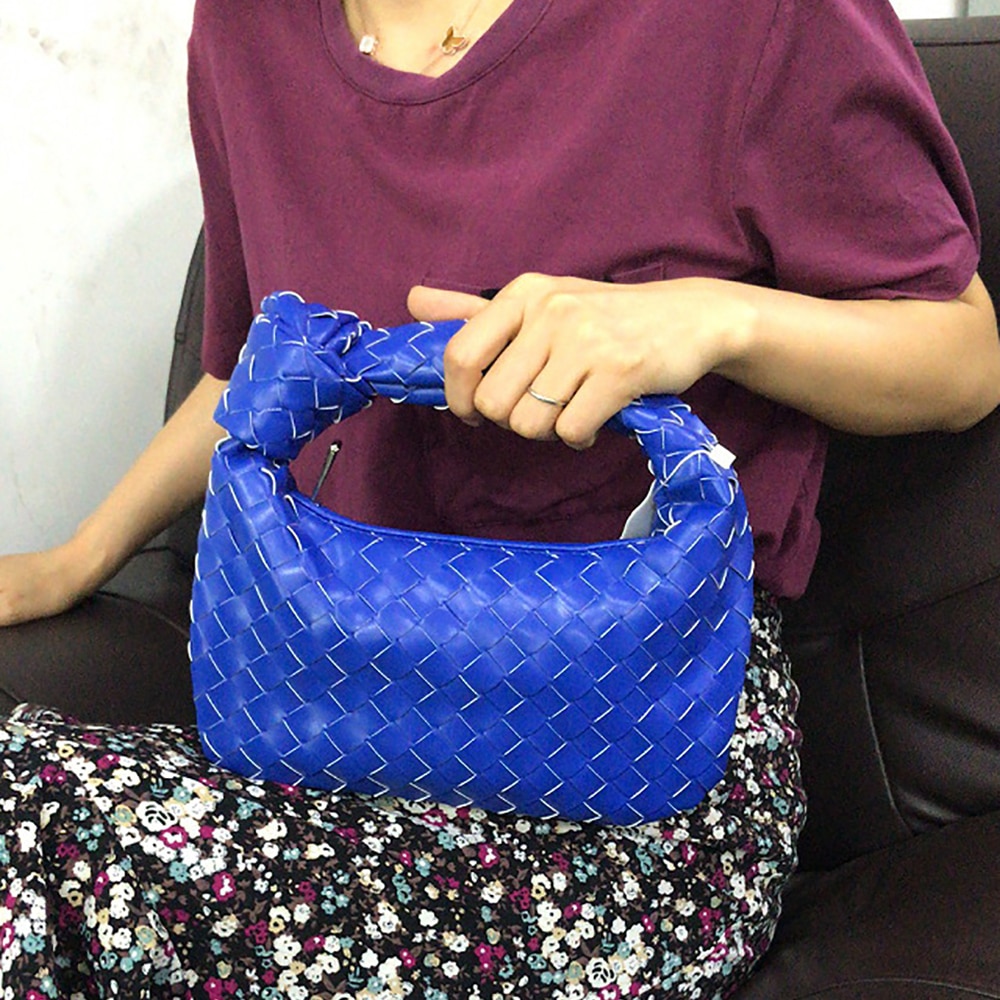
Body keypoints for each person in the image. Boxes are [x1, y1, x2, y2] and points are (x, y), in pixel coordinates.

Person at [0, 0, 998, 997]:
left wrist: (706, 318)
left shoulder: (748, 20)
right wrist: (80, 555)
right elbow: (248, 369)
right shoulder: (245, 30)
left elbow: (960, 351)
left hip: (638, 756)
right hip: (342, 694)